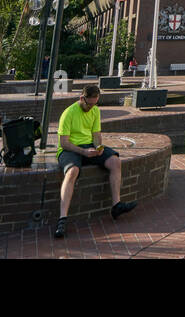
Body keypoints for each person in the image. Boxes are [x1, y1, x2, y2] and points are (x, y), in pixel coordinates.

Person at [53, 84, 136, 239]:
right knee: (72, 171)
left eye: (94, 103)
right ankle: (62, 219)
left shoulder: (95, 111)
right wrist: (83, 151)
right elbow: (64, 143)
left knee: (115, 161)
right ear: (81, 98)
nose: (91, 107)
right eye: (89, 104)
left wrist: (98, 147)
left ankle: (116, 206)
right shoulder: (68, 113)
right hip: (70, 149)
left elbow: (96, 134)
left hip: (89, 147)